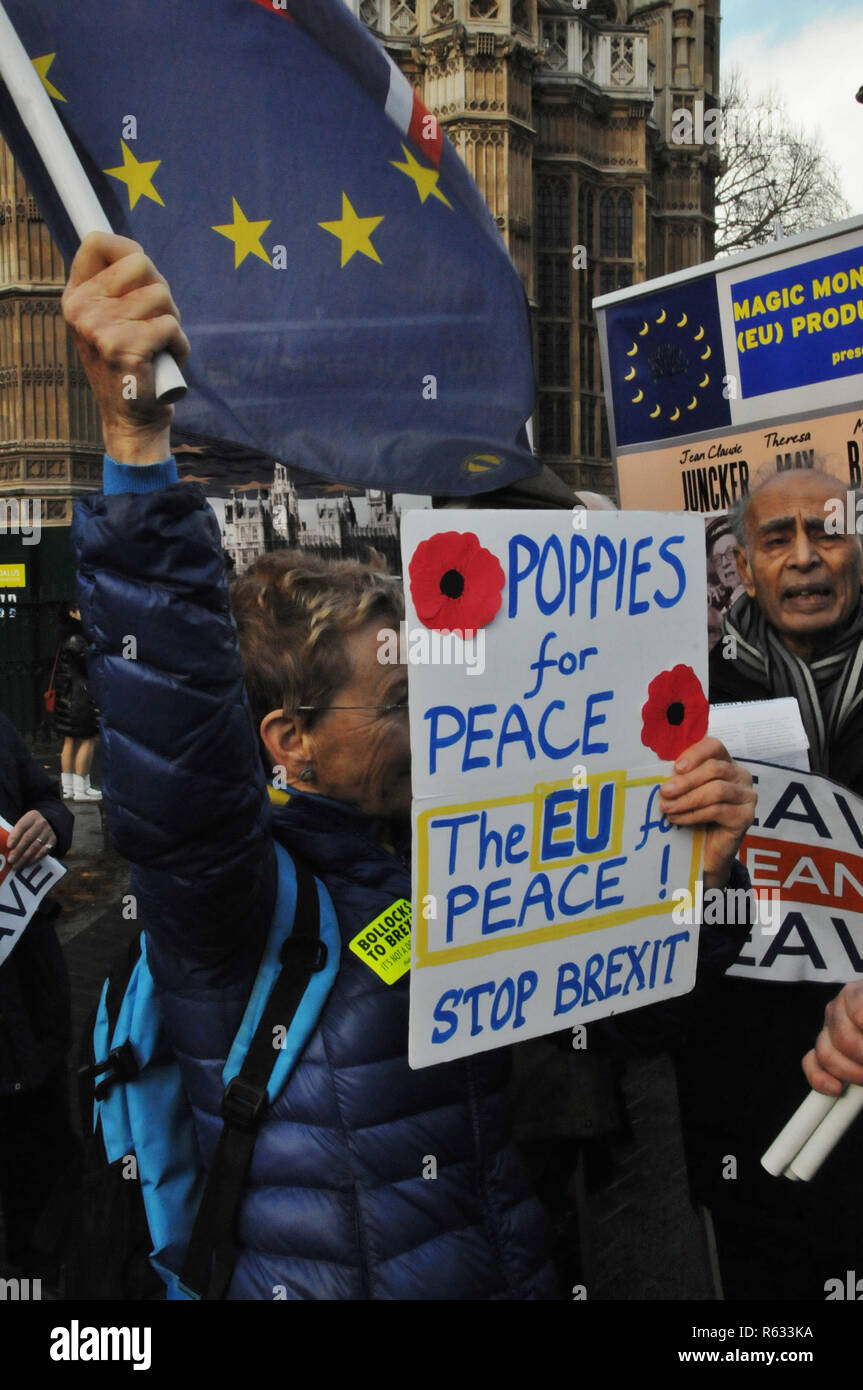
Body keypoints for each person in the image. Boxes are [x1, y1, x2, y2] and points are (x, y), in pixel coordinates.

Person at [62, 230, 755, 1300]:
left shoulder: (448, 858)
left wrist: (686, 883)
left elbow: (620, 1021)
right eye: (395, 703)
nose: (431, 721)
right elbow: (177, 736)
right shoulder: (234, 904)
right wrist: (137, 440)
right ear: (289, 742)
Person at [676, 467, 863, 1299]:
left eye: (824, 531)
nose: (803, 558)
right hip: (748, 1109)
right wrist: (696, 874)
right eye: (774, 539)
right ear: (742, 569)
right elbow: (644, 933)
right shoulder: (679, 705)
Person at [0, 712, 78, 1284]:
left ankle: (46, 1264)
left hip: (26, 992)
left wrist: (48, 823)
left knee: (42, 1146)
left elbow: (51, 803)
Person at [53, 600, 102, 802]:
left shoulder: (66, 637)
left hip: (67, 697)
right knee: (88, 739)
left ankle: (69, 788)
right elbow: (91, 665)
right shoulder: (78, 640)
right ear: (73, 613)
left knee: (70, 740)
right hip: (81, 697)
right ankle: (82, 788)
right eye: (81, 609)